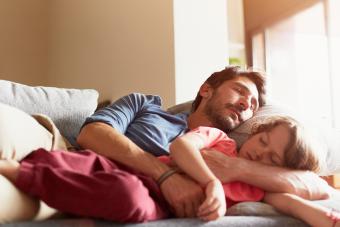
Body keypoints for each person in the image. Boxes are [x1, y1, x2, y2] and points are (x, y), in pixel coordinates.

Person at [76, 66, 330, 219]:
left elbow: (311, 183)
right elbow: (91, 134)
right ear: (206, 89)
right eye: (240, 91)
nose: (245, 104)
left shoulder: (232, 152)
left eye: (252, 105)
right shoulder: (144, 105)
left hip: (135, 201)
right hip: (91, 170)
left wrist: (239, 169)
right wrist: (166, 177)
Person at [0, 116, 321, 223]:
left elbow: (290, 199)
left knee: (127, 199)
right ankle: (19, 171)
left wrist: (317, 216)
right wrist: (211, 182)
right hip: (139, 171)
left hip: (156, 204)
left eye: (273, 159)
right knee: (85, 164)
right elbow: (180, 148)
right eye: (263, 140)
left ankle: (75, 205)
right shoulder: (220, 140)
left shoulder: (256, 189)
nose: (260, 152)